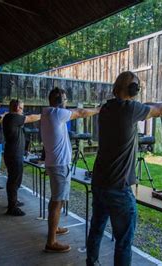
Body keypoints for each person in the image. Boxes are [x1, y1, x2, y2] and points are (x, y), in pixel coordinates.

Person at [86, 71, 162, 266]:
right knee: (123, 241)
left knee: (96, 229)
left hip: (99, 182)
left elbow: (148, 106)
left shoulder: (107, 108)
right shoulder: (130, 110)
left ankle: (91, 263)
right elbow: (158, 111)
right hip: (119, 187)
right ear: (133, 90)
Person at [41, 87, 100, 253]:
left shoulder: (47, 113)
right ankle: (51, 242)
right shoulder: (57, 114)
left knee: (56, 200)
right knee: (57, 201)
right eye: (65, 100)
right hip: (59, 165)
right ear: (60, 101)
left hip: (55, 163)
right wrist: (98, 109)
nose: (67, 103)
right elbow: (80, 113)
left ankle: (55, 228)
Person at [3, 99, 41, 216]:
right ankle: (12, 207)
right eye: (22, 108)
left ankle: (13, 201)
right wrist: (44, 114)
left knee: (14, 180)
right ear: (17, 108)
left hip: (13, 153)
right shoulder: (13, 117)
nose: (23, 110)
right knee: (14, 181)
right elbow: (31, 118)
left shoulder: (10, 117)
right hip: (14, 154)